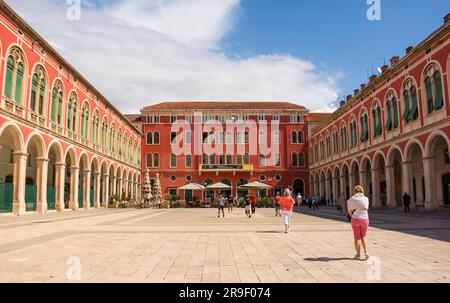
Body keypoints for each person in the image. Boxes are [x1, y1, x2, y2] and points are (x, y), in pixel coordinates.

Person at [347, 185, 370, 261]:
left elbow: (349, 210)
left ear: (354, 191)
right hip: (365, 219)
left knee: (357, 237)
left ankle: (358, 254)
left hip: (355, 218)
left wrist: (352, 216)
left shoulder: (352, 198)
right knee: (363, 236)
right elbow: (366, 208)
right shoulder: (366, 198)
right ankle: (366, 252)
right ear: (362, 191)